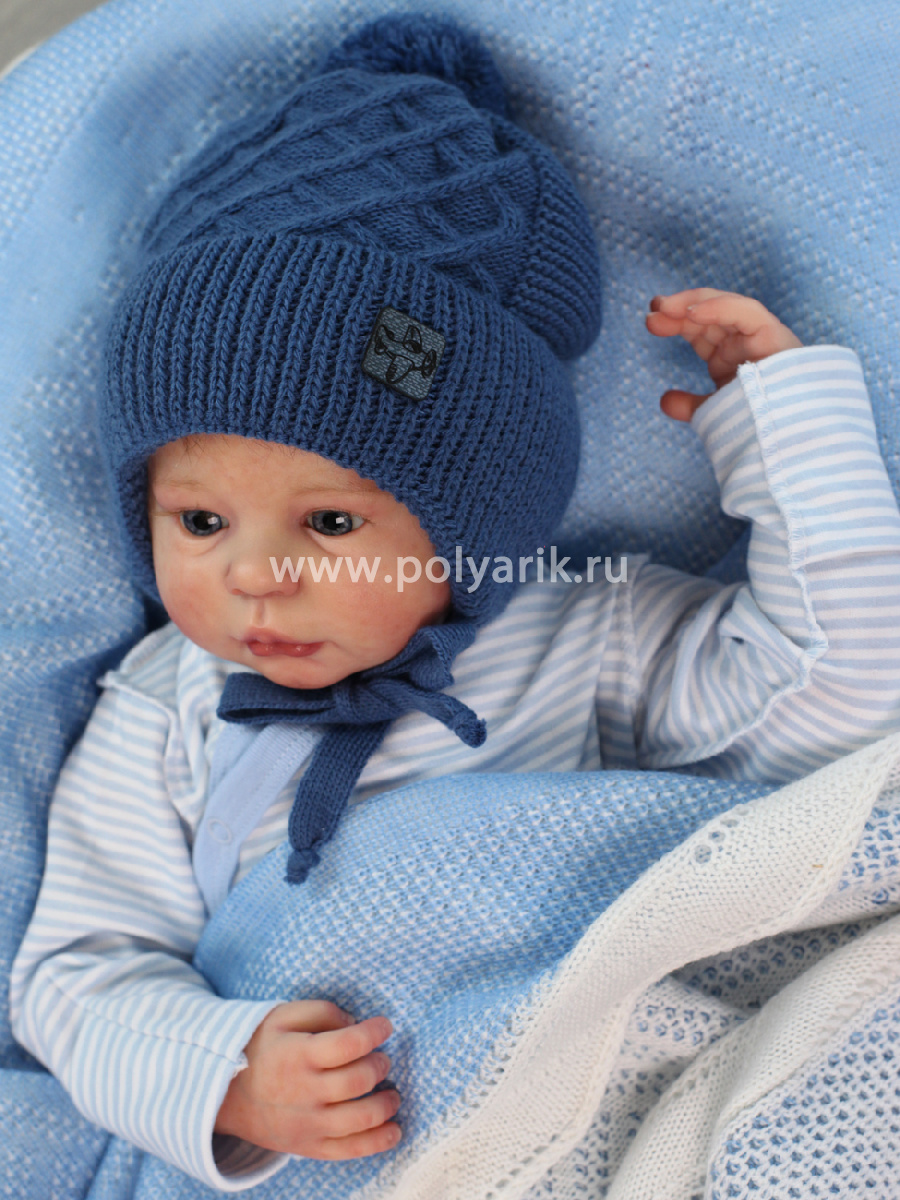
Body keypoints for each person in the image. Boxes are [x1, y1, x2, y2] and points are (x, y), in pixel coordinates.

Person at [10, 12, 900, 1192]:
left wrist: (787, 430)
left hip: (584, 1083)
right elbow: (75, 972)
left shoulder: (582, 638)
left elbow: (837, 693)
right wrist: (222, 1074)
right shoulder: (164, 708)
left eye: (332, 524)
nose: (253, 575)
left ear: (472, 525)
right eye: (200, 522)